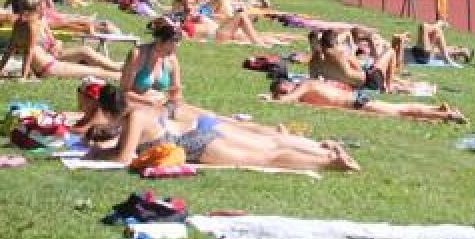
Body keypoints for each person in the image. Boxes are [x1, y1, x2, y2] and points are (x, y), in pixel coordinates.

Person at [84, 83, 360, 172]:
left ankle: (327, 162)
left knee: (265, 158)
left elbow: (124, 157)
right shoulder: (143, 110)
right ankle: (323, 153)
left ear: (108, 112)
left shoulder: (133, 119)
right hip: (198, 134)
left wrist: (98, 154)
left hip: (196, 144)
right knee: (268, 146)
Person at [0, 0, 121, 81]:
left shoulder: (20, 23)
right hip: (49, 67)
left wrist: (1, 70)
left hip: (49, 63)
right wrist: (23, 77)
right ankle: (126, 74)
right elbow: (29, 51)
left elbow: (10, 49)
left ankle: (122, 69)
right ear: (35, 10)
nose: (43, 11)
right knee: (98, 72)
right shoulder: (32, 24)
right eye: (41, 8)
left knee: (95, 67)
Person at [265, 78, 467, 123]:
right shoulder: (304, 88)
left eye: (284, 90)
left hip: (356, 102)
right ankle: (438, 109)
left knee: (400, 112)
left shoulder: (304, 86)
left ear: (289, 85)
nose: (285, 93)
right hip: (356, 101)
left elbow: (288, 101)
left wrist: (270, 100)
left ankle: (448, 115)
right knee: (400, 109)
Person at [119, 17, 184, 111]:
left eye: (176, 45)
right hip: (134, 106)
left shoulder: (171, 59)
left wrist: (173, 100)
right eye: (170, 44)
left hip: (161, 107)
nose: (173, 50)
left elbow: (176, 92)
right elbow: (123, 92)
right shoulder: (138, 55)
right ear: (159, 40)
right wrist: (148, 102)